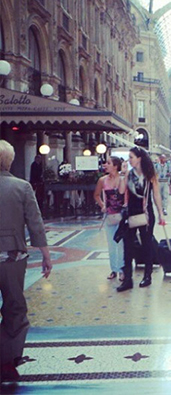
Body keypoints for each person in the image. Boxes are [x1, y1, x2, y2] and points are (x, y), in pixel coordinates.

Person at [0, 140, 52, 382]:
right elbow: (35, 223)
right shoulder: (22, 187)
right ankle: (7, 361)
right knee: (15, 307)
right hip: (12, 257)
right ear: (10, 161)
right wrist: (46, 255)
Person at [118, 147, 165, 292]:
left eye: (131, 157)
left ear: (139, 158)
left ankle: (147, 276)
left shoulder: (150, 174)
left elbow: (156, 195)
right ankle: (128, 279)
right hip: (131, 213)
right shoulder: (129, 174)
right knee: (127, 246)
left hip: (146, 213)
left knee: (147, 244)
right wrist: (123, 174)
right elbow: (121, 191)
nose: (129, 160)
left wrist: (161, 213)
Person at [94, 156, 125, 281]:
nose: (105, 165)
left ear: (115, 166)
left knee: (121, 244)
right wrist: (102, 205)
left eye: (108, 163)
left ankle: (122, 269)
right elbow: (96, 195)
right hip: (109, 215)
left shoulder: (123, 179)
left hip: (122, 215)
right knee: (111, 243)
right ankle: (114, 269)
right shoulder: (102, 180)